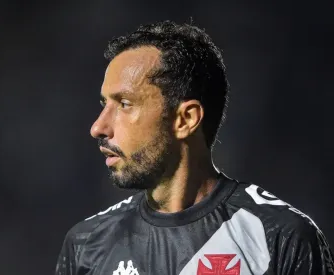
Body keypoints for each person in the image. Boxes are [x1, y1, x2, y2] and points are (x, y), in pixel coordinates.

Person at [54, 20, 334, 275]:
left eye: (125, 104)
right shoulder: (86, 244)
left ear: (185, 119)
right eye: (105, 104)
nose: (98, 127)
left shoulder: (280, 237)